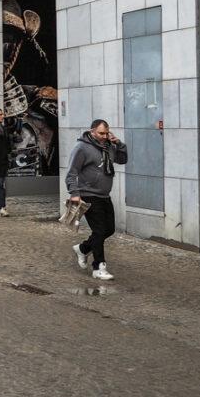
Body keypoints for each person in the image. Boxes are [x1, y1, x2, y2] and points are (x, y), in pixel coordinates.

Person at [66, 118, 127, 281]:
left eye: (106, 133)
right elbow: (71, 172)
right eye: (101, 133)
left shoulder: (108, 146)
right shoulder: (82, 147)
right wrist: (74, 193)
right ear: (92, 131)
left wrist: (118, 143)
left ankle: (83, 248)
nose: (104, 136)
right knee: (99, 230)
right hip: (88, 194)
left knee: (109, 229)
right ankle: (99, 267)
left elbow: (122, 159)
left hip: (104, 195)